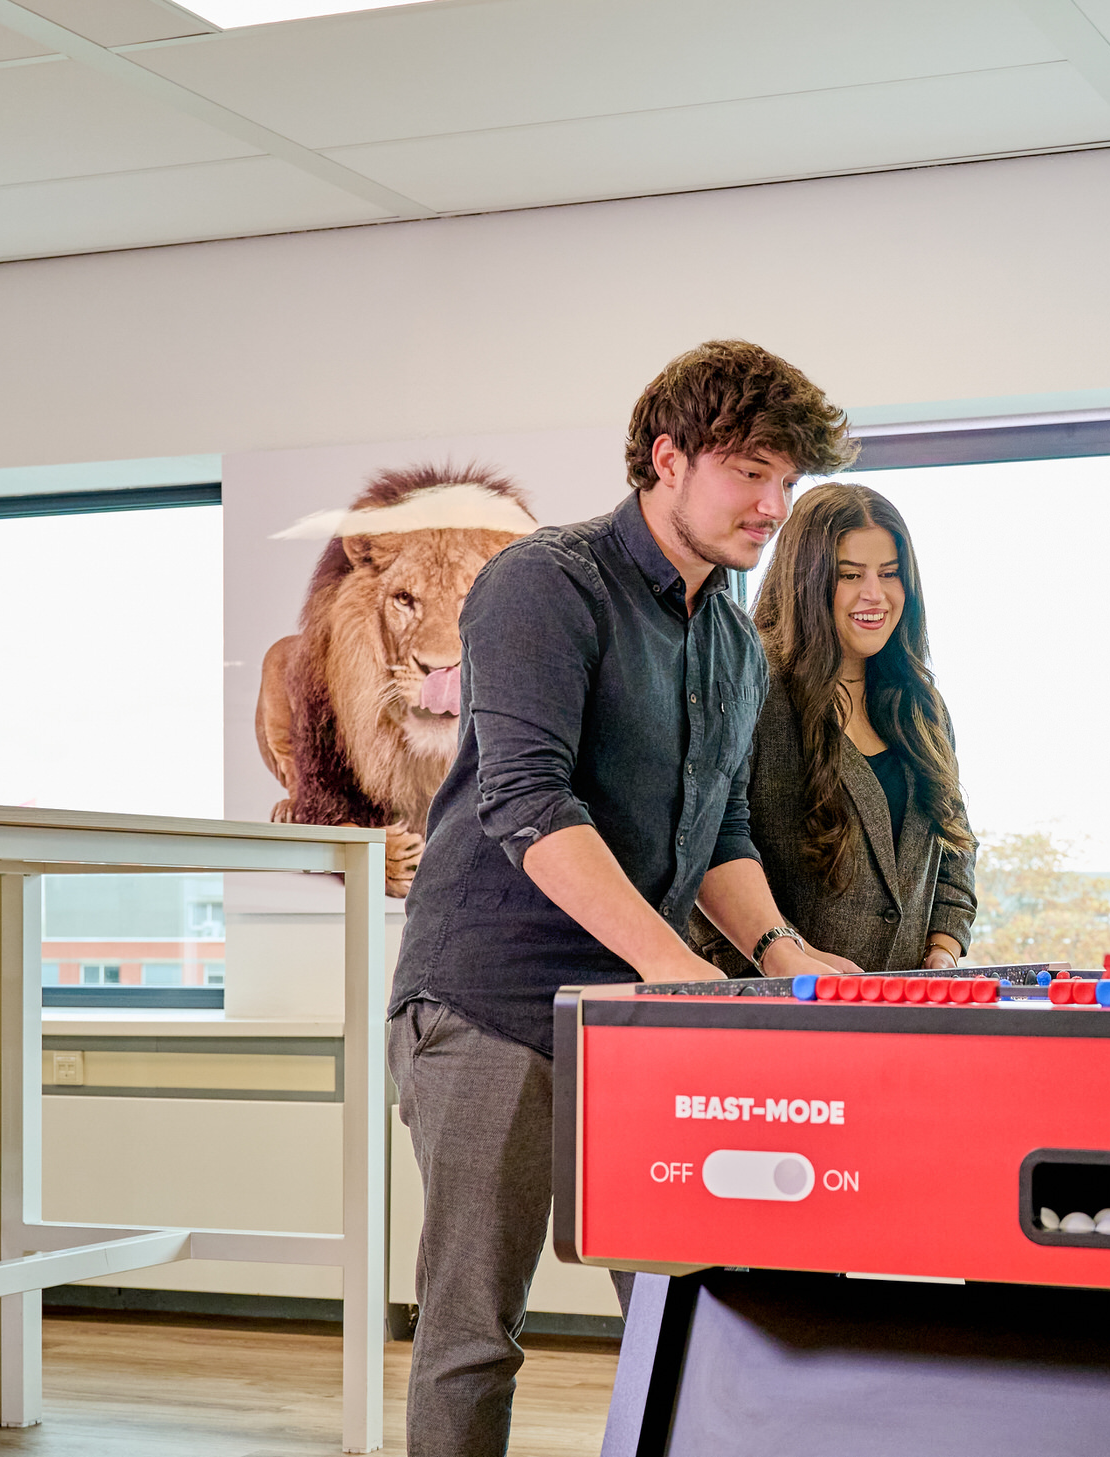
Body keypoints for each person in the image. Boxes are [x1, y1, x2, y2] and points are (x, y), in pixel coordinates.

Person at [386, 340, 864, 1457]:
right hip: (491, 1005)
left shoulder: (732, 641)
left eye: (787, 479)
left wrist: (780, 948)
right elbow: (527, 802)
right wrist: (675, 966)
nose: (773, 505)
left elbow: (719, 832)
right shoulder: (546, 583)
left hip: (633, 1020)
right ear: (667, 457)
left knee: (681, 1313)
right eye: (750, 471)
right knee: (475, 1330)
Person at [695, 482, 977, 975]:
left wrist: (944, 950)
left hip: (903, 1006)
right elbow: (705, 852)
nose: (875, 594)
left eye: (889, 573)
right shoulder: (749, 687)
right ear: (806, 580)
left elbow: (955, 847)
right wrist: (788, 959)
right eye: (850, 575)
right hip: (774, 1005)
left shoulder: (921, 705)